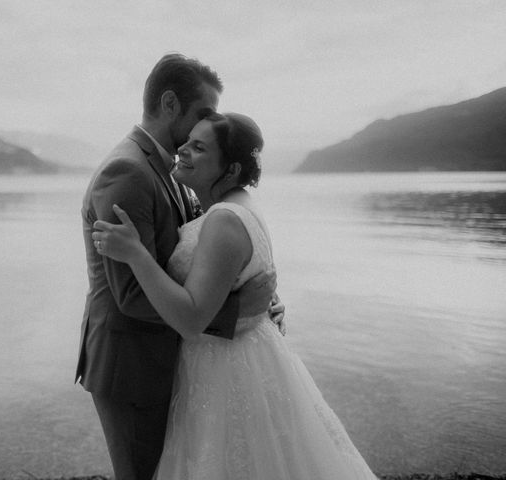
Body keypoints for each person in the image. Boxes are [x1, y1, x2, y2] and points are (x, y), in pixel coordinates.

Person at [93, 112, 379, 479]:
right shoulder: (237, 204)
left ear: (229, 171)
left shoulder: (224, 218)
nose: (183, 150)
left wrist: (135, 253)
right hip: (241, 357)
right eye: (188, 142)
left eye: (199, 147)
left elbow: (191, 319)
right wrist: (254, 309)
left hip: (224, 369)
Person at [75, 54, 283, 480]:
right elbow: (131, 295)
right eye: (202, 113)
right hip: (129, 362)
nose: (204, 127)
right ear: (170, 103)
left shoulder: (170, 167)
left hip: (164, 355)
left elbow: (204, 249)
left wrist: (253, 291)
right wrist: (239, 314)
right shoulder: (127, 171)